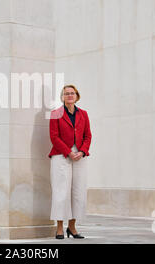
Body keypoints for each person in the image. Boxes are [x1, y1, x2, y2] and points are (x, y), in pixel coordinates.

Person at [48, 85, 92, 239]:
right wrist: (68, 152)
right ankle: (60, 228)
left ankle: (72, 227)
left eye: (72, 93)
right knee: (61, 191)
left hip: (80, 155)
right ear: (62, 97)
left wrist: (82, 151)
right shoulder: (55, 114)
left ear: (77, 96)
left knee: (78, 191)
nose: (69, 96)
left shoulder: (84, 114)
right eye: (66, 94)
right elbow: (54, 137)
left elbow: (88, 136)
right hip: (61, 156)